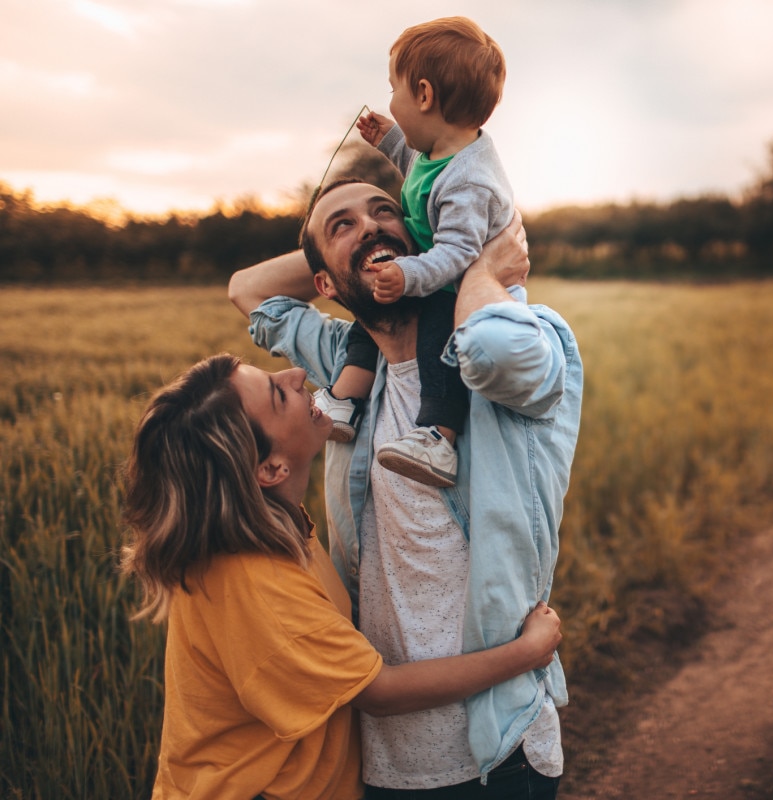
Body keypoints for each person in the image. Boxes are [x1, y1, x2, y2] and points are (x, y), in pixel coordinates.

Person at [227, 178, 583, 797]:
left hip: (496, 752)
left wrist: (465, 256)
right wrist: (343, 253)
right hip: (382, 760)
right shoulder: (348, 368)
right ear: (325, 288)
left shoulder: (525, 337)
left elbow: (493, 347)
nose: (368, 225)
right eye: (344, 223)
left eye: (384, 211)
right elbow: (248, 291)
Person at [119, 353, 563, 799]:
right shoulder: (254, 582)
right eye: (278, 394)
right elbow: (380, 691)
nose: (296, 375)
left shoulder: (273, 529)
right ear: (271, 469)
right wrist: (526, 652)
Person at [319, 16, 515, 493]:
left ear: (423, 95)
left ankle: (438, 437)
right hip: (432, 271)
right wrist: (389, 138)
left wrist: (408, 274)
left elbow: (458, 251)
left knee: (437, 347)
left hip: (463, 290)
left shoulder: (470, 179)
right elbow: (417, 170)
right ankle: (345, 400)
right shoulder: (439, 153)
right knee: (372, 316)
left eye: (394, 89)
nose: (390, 99)